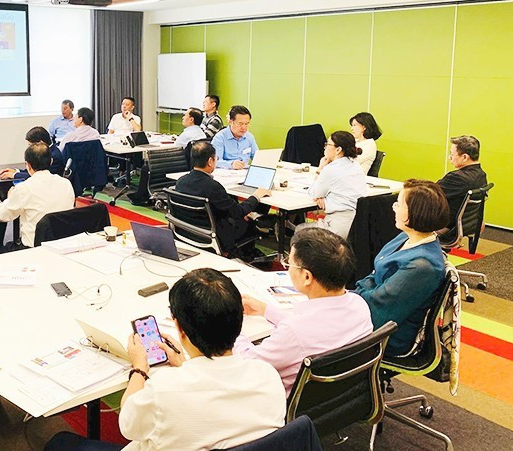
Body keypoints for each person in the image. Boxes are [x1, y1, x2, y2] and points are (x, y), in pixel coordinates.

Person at [46, 269, 285, 451]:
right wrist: (186, 365)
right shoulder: (267, 376)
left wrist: (139, 369)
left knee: (60, 442)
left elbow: (127, 424)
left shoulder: (165, 389)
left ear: (179, 328)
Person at [234, 228, 373, 395]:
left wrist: (232, 328)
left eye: (289, 263)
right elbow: (316, 328)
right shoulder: (359, 305)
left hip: (283, 403)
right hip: (342, 397)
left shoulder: (293, 332)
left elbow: (248, 364)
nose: (287, 268)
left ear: (307, 277)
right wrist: (266, 310)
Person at [355, 179, 449, 357]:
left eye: (398, 204)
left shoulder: (422, 266)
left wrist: (348, 297)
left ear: (415, 212)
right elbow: (374, 275)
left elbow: (379, 313)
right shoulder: (405, 238)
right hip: (373, 309)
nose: (393, 208)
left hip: (387, 336)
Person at [175, 141, 270, 258]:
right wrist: (256, 196)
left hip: (188, 232)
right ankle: (248, 255)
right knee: (247, 220)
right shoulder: (213, 187)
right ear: (210, 161)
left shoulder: (181, 182)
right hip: (216, 235)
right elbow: (238, 212)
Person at [0, 143, 75, 251]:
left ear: (28, 165)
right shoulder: (66, 183)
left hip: (32, 249)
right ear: (51, 161)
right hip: (62, 244)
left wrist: (9, 198)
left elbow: (2, 216)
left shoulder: (24, 188)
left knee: (2, 251)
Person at [126, 107, 206, 206]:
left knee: (146, 167)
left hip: (180, 164)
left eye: (185, 115)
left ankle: (142, 196)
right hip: (191, 165)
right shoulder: (201, 133)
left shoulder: (187, 134)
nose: (182, 117)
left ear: (191, 119)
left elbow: (175, 149)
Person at [303, 131, 368, 239]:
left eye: (327, 144)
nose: (325, 147)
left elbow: (313, 193)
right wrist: (327, 199)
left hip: (337, 226)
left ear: (338, 150)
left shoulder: (330, 169)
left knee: (300, 230)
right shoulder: (356, 165)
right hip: (357, 224)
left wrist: (320, 169)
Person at [437, 135, 487, 230]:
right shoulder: (481, 175)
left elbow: (430, 194)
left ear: (464, 157)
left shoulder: (457, 178)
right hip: (467, 225)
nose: (450, 157)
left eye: (452, 154)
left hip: (447, 226)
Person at [0, 126, 65, 180]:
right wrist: (16, 171)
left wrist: (14, 175)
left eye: (30, 145)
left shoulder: (54, 156)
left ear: (40, 143)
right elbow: (34, 169)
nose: (29, 148)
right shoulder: (49, 151)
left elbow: (39, 176)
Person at [210, 105, 259, 169]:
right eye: (240, 124)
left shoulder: (249, 137)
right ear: (230, 122)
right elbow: (214, 161)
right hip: (226, 172)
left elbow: (257, 158)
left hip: (244, 171)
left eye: (246, 124)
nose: (244, 127)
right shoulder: (220, 138)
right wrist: (231, 164)